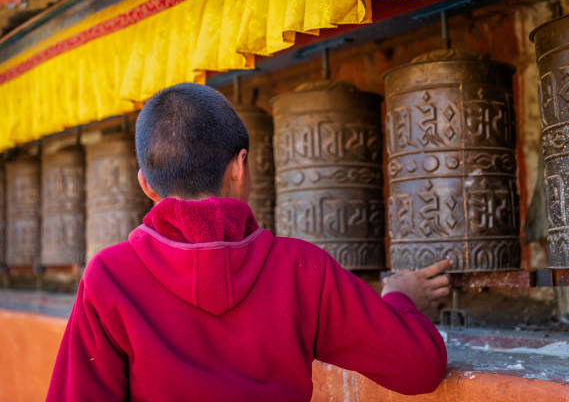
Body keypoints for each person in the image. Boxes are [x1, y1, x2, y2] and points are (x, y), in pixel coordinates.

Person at [47, 83, 451, 401]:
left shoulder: (109, 278)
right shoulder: (302, 268)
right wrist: (399, 296)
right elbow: (420, 367)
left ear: (146, 185)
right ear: (240, 168)